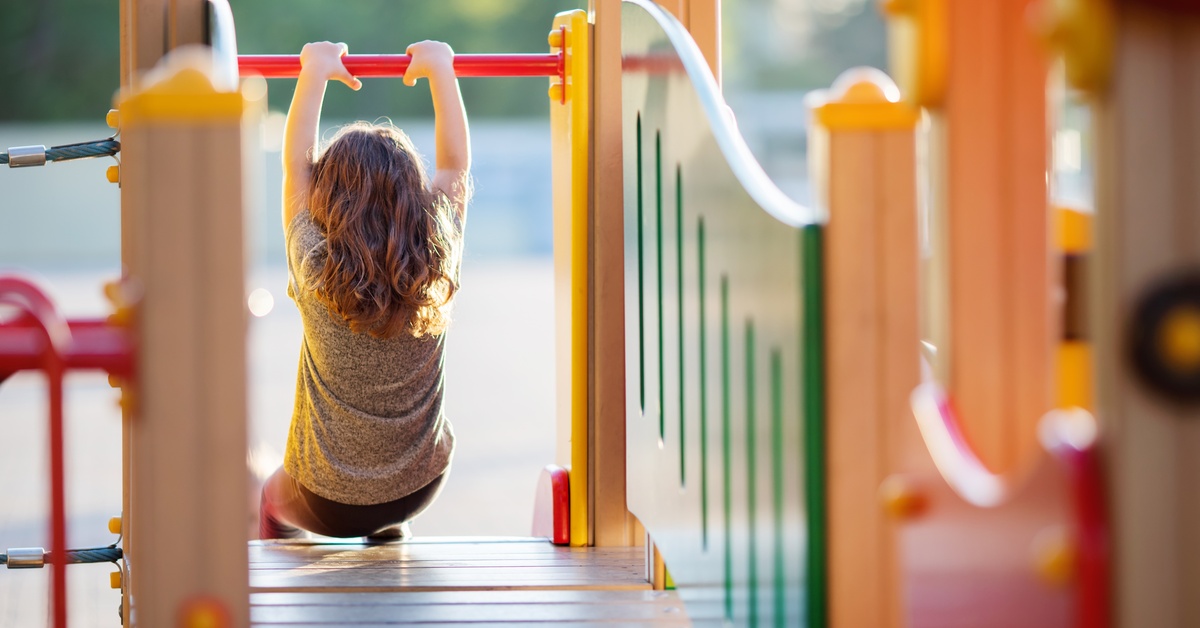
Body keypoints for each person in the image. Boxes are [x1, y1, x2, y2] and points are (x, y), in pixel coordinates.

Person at [259, 40, 471, 540]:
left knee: (267, 499)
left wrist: (312, 72)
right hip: (422, 486)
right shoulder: (437, 254)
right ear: (414, 195)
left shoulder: (314, 264)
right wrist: (443, 70)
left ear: (325, 198)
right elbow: (455, 168)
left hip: (325, 501)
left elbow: (295, 166)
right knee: (384, 499)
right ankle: (387, 528)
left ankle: (286, 585)